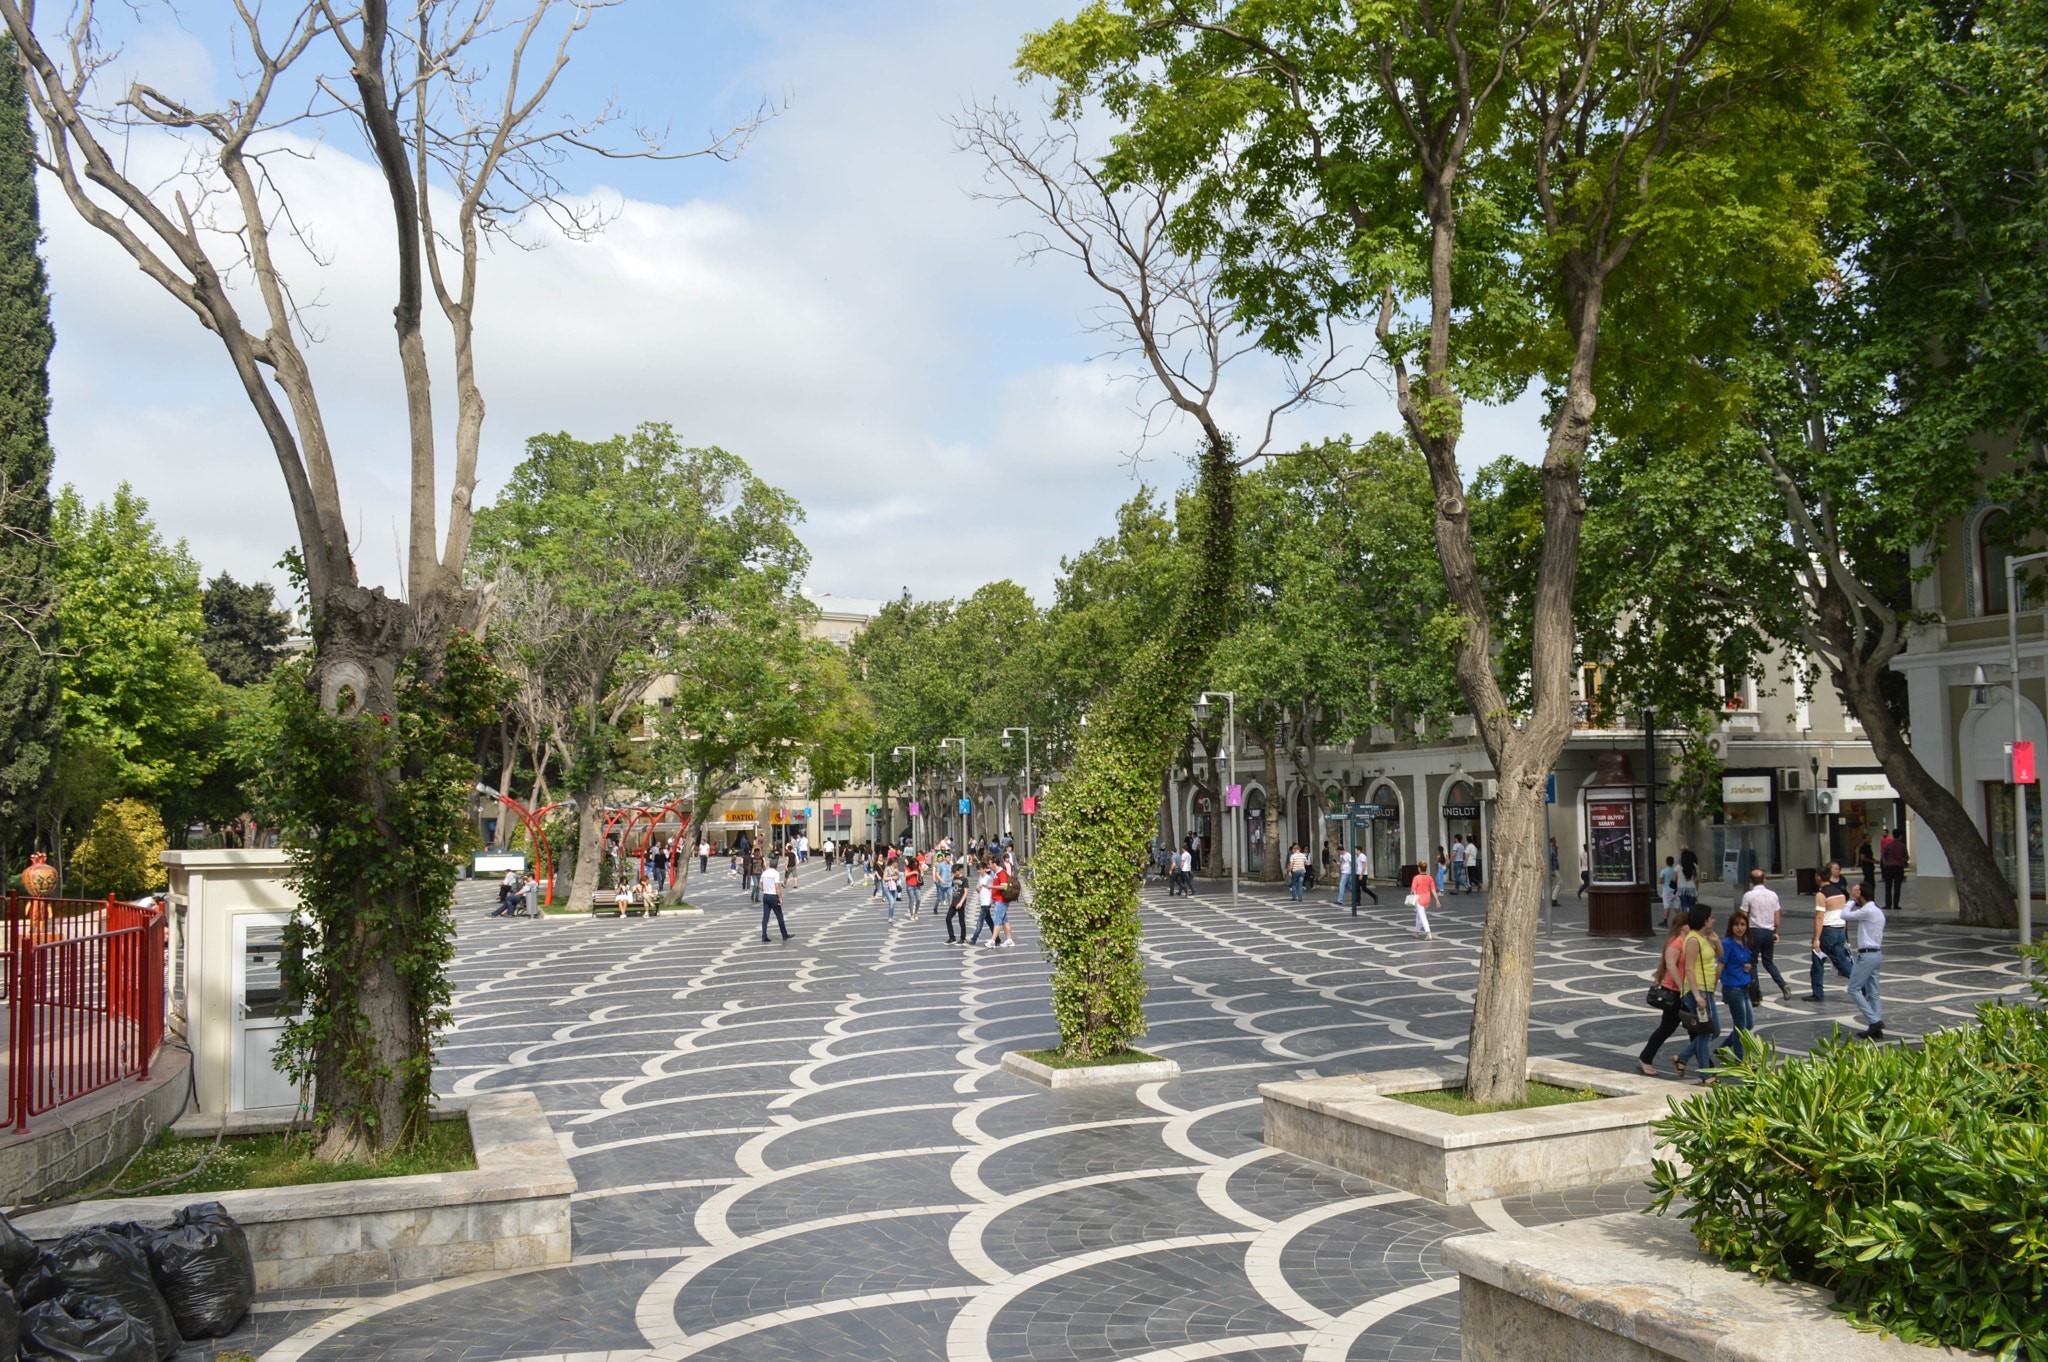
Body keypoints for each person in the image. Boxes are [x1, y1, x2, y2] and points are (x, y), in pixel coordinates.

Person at [1638, 917, 1693, 1077]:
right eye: (1690, 924)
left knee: (1695, 1030)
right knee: (1669, 1028)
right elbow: (1670, 965)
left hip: (1685, 990)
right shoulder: (1676, 942)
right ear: (1683, 926)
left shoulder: (1689, 941)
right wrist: (1682, 987)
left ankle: (1699, 1065)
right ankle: (1646, 1058)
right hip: (1675, 992)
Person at [1674, 905, 1720, 1084]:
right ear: (1704, 920)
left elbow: (1720, 955)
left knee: (1709, 1031)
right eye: (1711, 918)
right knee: (1707, 1032)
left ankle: (1683, 1059)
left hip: (1706, 989)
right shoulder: (1693, 939)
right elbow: (1689, 969)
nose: (1713, 920)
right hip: (1699, 990)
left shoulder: (1703, 937)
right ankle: (1705, 1074)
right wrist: (1698, 996)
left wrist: (1717, 942)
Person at [1840, 883, 1887, 1040]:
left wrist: (1851, 900)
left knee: (1853, 988)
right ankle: (1876, 1027)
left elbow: (1844, 915)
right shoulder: (1877, 910)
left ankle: (1874, 1021)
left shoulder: (1867, 910)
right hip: (1877, 954)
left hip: (1867, 955)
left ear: (1861, 894)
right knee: (1873, 992)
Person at [1739, 869, 1791, 999]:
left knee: (1752, 962)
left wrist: (1740, 934)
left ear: (1751, 881)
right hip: (1768, 931)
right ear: (1765, 879)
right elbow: (1777, 915)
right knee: (1768, 962)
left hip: (1754, 931)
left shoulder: (1749, 895)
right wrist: (1776, 932)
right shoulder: (1773, 895)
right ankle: (1783, 985)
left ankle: (1755, 994)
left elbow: (1743, 916)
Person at [1807, 861, 1854, 1002]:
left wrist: (1816, 938)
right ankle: (1863, 986)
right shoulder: (1840, 893)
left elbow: (1820, 917)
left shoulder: (1821, 895)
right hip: (1840, 930)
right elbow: (1844, 915)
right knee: (1842, 963)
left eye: (1816, 875)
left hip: (1828, 931)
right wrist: (1844, 934)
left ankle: (1818, 993)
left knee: (1817, 961)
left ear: (1819, 877)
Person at [1716, 908, 1756, 1064]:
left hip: (1744, 987)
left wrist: (1747, 967)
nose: (1740, 928)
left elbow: (1746, 962)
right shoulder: (1727, 944)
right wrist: (1714, 989)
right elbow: (1720, 966)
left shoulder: (1745, 943)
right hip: (1732, 988)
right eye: (1736, 925)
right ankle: (1740, 1059)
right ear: (1731, 927)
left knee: (1748, 1023)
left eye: (1742, 925)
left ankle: (1724, 1048)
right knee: (1741, 1026)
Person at [758, 858, 790, 942]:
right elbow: (777, 887)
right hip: (773, 897)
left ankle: (764, 936)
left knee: (765, 917)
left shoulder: (764, 873)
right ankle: (784, 934)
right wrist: (780, 898)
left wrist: (765, 890)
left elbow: (760, 885)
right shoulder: (776, 873)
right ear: (776, 865)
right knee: (779, 916)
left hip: (766, 896)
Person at [969, 860, 998, 946]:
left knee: (980, 922)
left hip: (986, 902)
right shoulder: (980, 878)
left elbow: (992, 888)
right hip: (982, 901)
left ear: (985, 869)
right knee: (989, 922)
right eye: (978, 870)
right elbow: (979, 889)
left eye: (980, 869)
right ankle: (997, 938)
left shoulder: (988, 878)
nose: (979, 871)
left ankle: (974, 939)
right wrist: (978, 889)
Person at [1880, 828, 1907, 912]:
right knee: (1897, 887)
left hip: (1889, 867)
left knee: (1888, 887)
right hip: (1899, 867)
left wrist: (1885, 863)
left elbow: (1883, 854)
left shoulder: (1888, 845)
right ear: (1900, 836)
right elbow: (1906, 856)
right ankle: (1896, 904)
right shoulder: (1902, 845)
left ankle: (1888, 904)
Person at [944, 860, 970, 944]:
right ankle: (952, 937)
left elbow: (966, 892)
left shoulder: (964, 879)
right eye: (953, 872)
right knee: (948, 919)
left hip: (960, 903)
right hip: (953, 903)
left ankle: (963, 938)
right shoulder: (954, 878)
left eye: (955, 872)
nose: (954, 874)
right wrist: (951, 900)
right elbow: (952, 889)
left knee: (961, 921)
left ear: (959, 871)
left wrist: (961, 903)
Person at [1408, 862, 1434, 940]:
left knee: (1422, 916)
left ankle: (1428, 933)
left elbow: (1413, 891)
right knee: (1419, 916)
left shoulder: (1416, 878)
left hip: (1419, 900)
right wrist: (1437, 900)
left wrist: (1414, 902)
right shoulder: (1430, 877)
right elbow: (1433, 890)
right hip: (1427, 900)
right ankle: (1416, 932)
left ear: (1419, 868)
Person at [1657, 856, 1678, 928]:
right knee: (1677, 906)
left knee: (1666, 906)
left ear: (1666, 862)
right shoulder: (1675, 870)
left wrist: (1664, 881)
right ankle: (1681, 920)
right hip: (1675, 890)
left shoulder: (1663, 871)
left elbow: (1660, 881)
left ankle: (1665, 921)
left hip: (1667, 890)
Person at [1547, 836, 1561, 906]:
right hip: (1553, 869)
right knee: (1560, 883)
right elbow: (1549, 860)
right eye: (1554, 841)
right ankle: (1553, 899)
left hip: (1553, 869)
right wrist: (1552, 870)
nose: (1555, 842)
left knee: (1553, 884)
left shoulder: (1552, 849)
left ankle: (1553, 899)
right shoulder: (1550, 849)